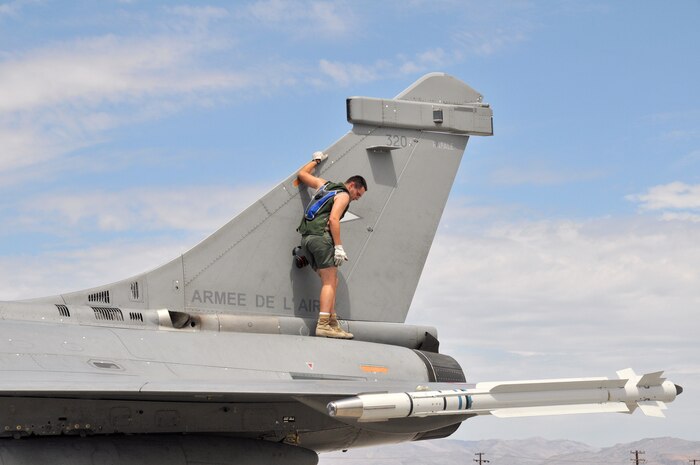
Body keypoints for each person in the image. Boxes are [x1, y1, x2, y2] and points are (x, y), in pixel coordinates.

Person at [297, 151, 367, 339]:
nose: (356, 198)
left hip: (307, 239)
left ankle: (332, 322)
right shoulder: (343, 195)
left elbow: (302, 175)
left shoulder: (325, 185)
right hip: (321, 238)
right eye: (358, 194)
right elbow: (334, 219)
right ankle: (323, 324)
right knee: (329, 281)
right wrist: (338, 247)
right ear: (352, 185)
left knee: (331, 281)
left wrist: (316, 161)